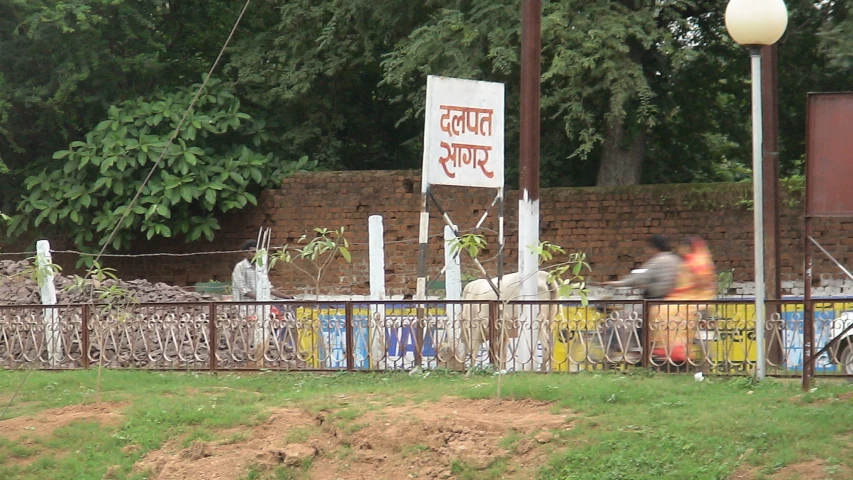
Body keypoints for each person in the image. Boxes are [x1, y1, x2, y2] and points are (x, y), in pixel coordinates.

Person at [653, 236, 717, 362]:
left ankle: (677, 349)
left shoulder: (698, 261)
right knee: (661, 310)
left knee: (667, 311)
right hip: (688, 298)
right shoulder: (689, 261)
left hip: (698, 301)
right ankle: (669, 348)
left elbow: (702, 281)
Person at [607, 235, 682, 299]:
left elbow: (639, 278)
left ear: (654, 247)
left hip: (659, 298)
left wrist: (617, 283)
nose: (647, 251)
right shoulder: (675, 258)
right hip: (675, 297)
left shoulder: (658, 260)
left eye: (648, 247)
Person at [232, 239, 291, 318]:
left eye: (258, 252)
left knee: (283, 317)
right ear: (245, 253)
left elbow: (268, 287)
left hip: (261, 304)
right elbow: (244, 290)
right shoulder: (240, 267)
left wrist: (287, 297)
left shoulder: (260, 267)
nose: (256, 254)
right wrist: (263, 298)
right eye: (253, 252)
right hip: (245, 306)